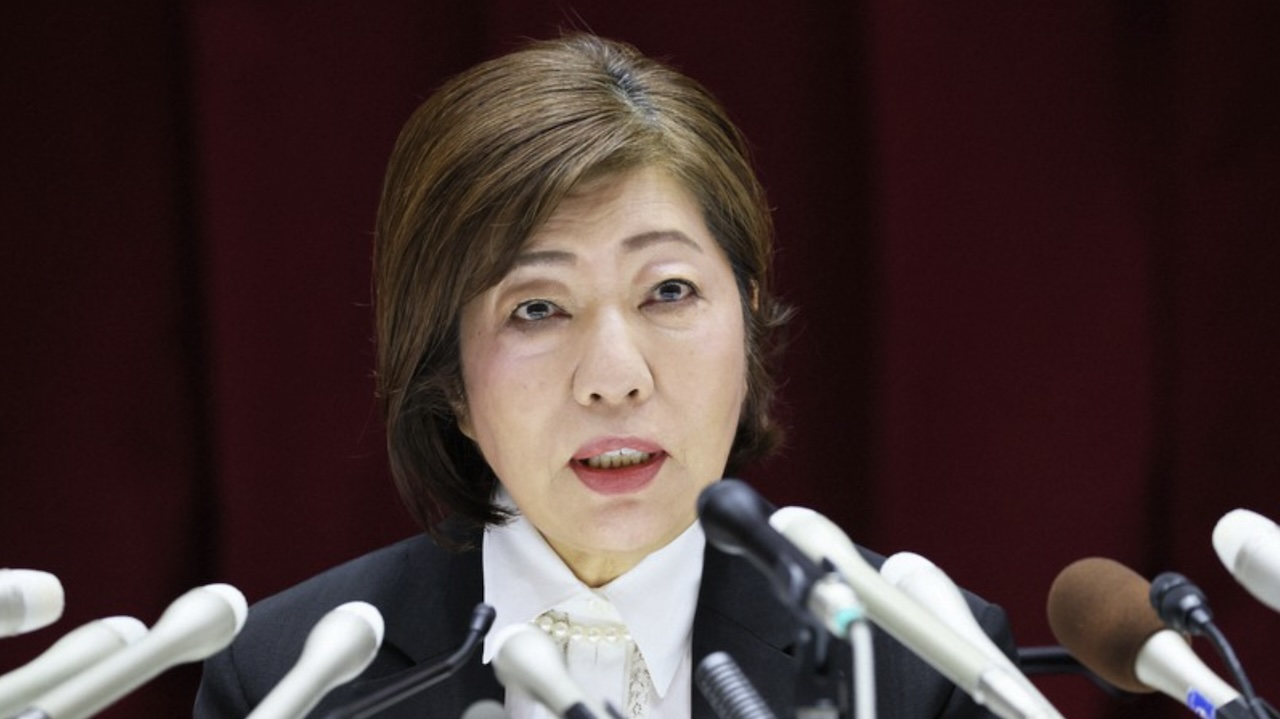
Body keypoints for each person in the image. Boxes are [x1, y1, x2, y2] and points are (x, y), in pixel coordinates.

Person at [194, 33, 1016, 719]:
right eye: (537, 308)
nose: (615, 378)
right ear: (448, 377)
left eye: (669, 291)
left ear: (749, 319)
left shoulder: (923, 667)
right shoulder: (287, 680)